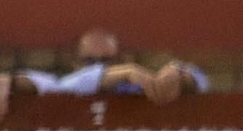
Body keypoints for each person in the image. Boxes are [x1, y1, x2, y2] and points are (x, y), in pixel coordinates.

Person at [7, 29, 209, 104]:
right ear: (75, 64)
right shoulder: (68, 84)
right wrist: (9, 81)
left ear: (119, 60)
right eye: (90, 62)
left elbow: (201, 81)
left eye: (106, 62)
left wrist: (178, 73)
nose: (99, 68)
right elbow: (50, 84)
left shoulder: (138, 86)